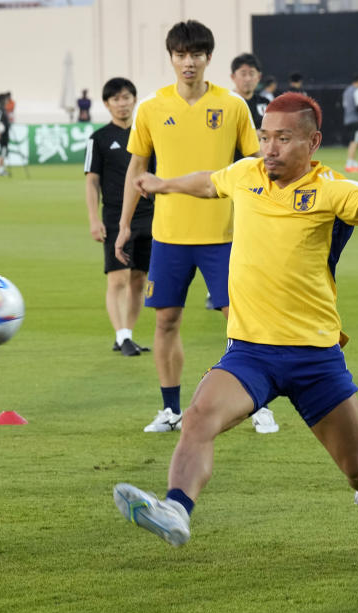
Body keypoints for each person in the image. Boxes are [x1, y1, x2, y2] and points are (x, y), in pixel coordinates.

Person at [112, 92, 358, 548]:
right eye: (265, 136)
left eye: (283, 138)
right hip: (250, 352)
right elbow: (209, 182)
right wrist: (162, 183)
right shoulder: (246, 174)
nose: (269, 148)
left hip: (315, 358)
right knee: (198, 418)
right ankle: (175, 509)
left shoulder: (331, 190)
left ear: (312, 142)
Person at [114, 20, 276, 435]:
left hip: (224, 236)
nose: (189, 62)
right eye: (181, 55)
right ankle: (170, 410)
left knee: (240, 324)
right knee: (165, 321)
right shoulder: (151, 108)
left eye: (196, 55)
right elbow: (137, 167)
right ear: (171, 58)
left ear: (208, 58)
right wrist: (124, 225)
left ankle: (257, 403)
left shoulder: (234, 106)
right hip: (169, 237)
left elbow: (258, 167)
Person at [84, 77, 154, 357]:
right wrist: (93, 218)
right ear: (106, 104)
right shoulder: (99, 139)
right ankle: (121, 334)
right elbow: (91, 181)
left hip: (149, 215)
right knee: (118, 279)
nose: (122, 104)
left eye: (126, 97)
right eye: (116, 99)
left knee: (139, 278)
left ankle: (128, 334)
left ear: (134, 100)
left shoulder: (147, 134)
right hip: (115, 216)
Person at [231, 53, 270, 131]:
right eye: (243, 74)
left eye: (252, 74)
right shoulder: (226, 103)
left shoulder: (265, 103)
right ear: (233, 77)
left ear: (259, 77)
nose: (248, 79)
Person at [342, 73, 358, 173]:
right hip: (355, 119)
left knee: (353, 140)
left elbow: (345, 105)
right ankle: (349, 163)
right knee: (355, 141)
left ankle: (353, 162)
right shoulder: (357, 91)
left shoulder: (347, 91)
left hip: (347, 118)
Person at [0, 93, 11, 177]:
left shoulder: (3, 109)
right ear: (2, 100)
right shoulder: (0, 109)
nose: (7, 101)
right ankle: (0, 170)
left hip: (5, 133)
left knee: (4, 151)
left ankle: (2, 169)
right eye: (6, 99)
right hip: (2, 134)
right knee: (2, 151)